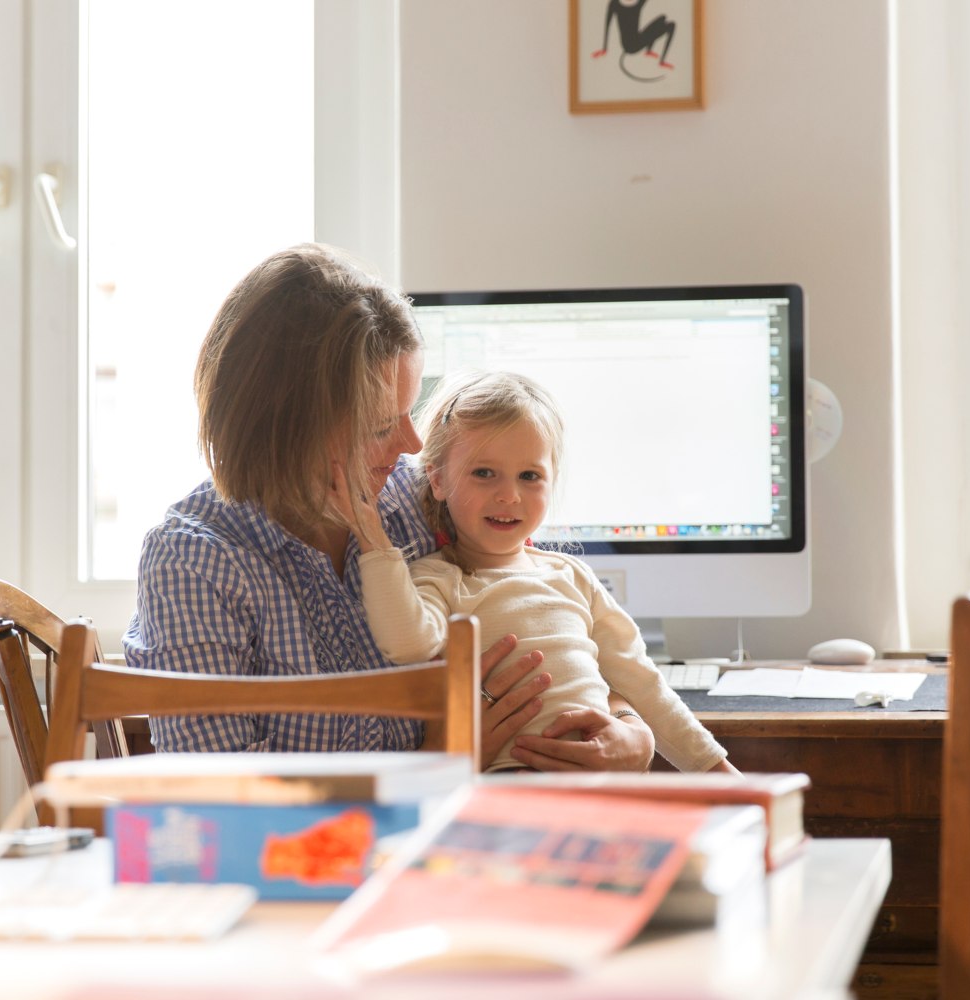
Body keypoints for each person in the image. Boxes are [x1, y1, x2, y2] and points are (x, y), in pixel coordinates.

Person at [123, 243, 654, 772]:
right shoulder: (194, 564)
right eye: (381, 427)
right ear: (288, 428)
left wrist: (628, 725)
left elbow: (555, 623)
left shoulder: (415, 499)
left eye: (409, 412)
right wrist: (443, 759)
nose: (413, 445)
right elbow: (217, 802)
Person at [334, 370, 739, 774]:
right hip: (504, 791)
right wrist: (374, 539)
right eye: (483, 473)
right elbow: (407, 644)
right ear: (438, 480)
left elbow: (643, 684)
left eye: (530, 476)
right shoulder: (439, 578)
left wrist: (725, 778)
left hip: (603, 790)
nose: (509, 495)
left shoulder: (572, 576)